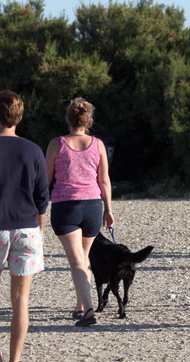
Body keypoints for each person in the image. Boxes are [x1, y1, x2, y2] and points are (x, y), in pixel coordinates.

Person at [46, 97, 114, 326]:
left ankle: (89, 311)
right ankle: (80, 305)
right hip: (93, 206)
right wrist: (109, 210)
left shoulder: (57, 144)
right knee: (83, 258)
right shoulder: (98, 144)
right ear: (88, 120)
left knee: (76, 261)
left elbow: (45, 179)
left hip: (66, 206)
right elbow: (104, 181)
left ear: (69, 118)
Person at [0, 90, 49, 362]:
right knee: (21, 300)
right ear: (20, 117)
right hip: (27, 228)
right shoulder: (32, 150)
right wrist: (39, 229)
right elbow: (42, 196)